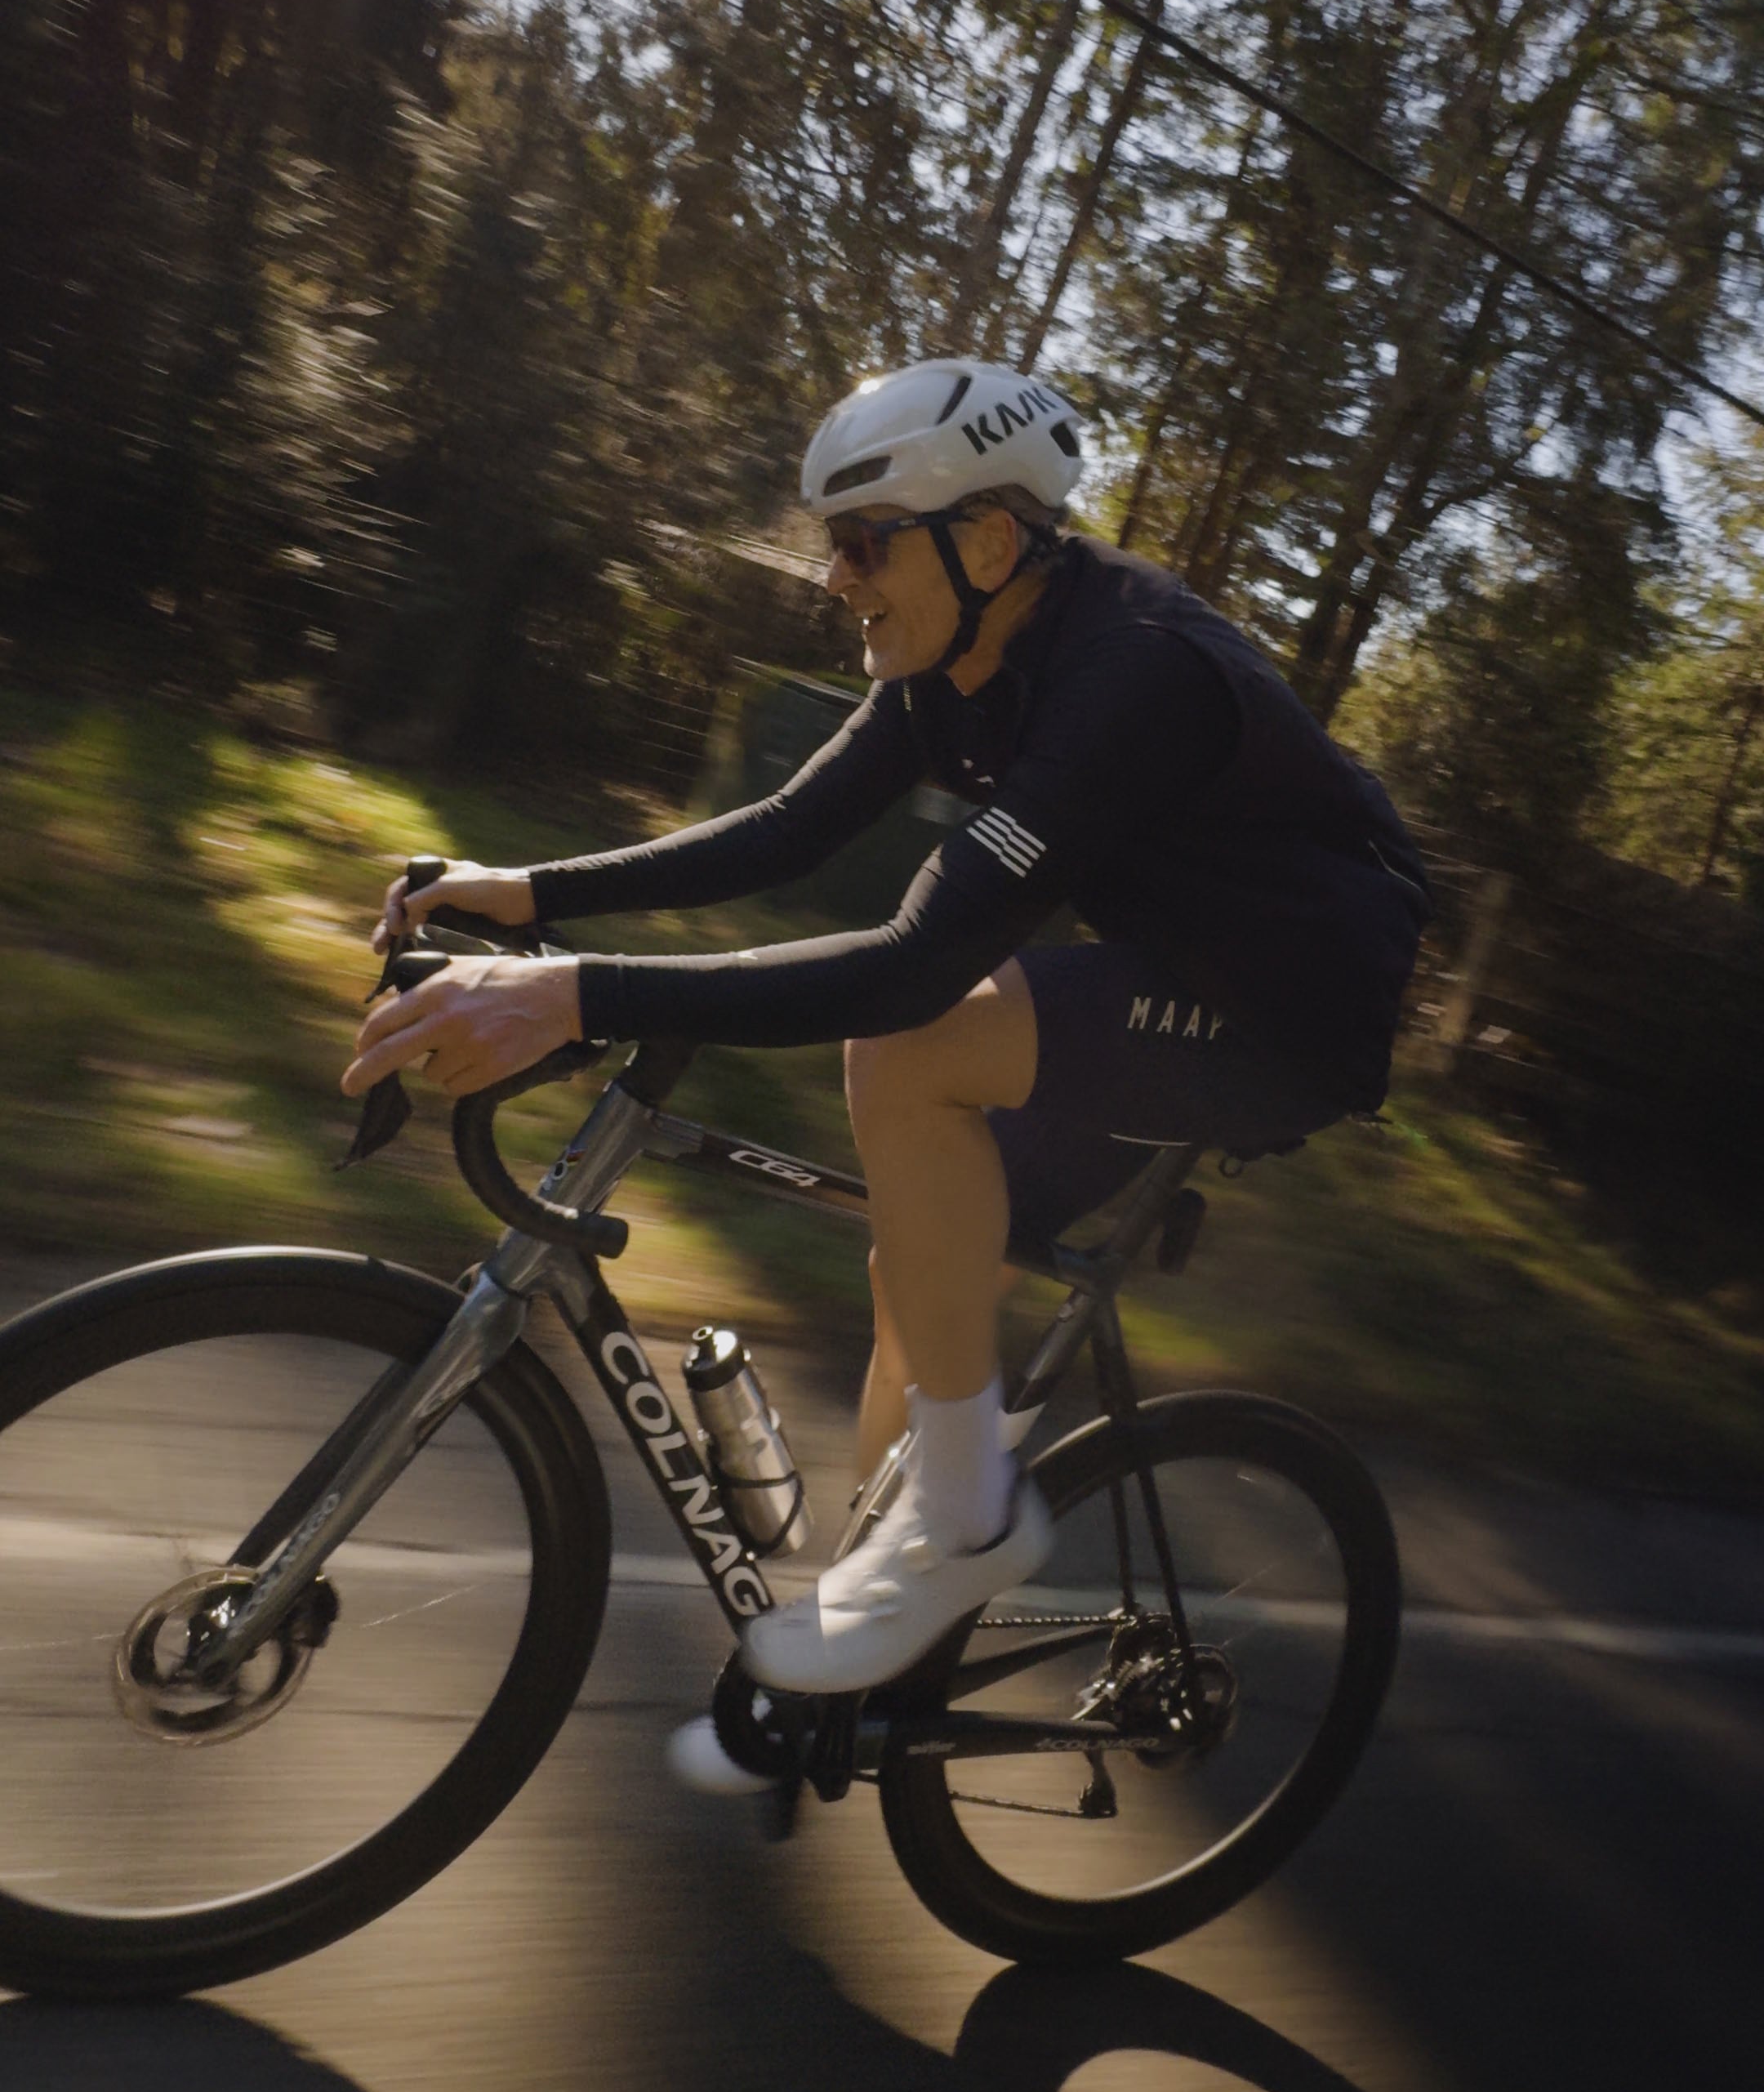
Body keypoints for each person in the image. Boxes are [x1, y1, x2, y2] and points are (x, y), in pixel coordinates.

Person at [341, 357, 1430, 1788]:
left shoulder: (1133, 677)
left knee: (908, 1051)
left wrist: (569, 997)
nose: (836, 578)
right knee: (924, 1267)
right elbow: (787, 834)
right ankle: (859, 1664)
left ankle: (963, 1521)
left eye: (863, 545)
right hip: (1168, 972)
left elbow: (908, 973)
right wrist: (531, 895)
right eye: (828, 547)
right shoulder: (961, 651)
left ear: (985, 540)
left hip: (1291, 1009)